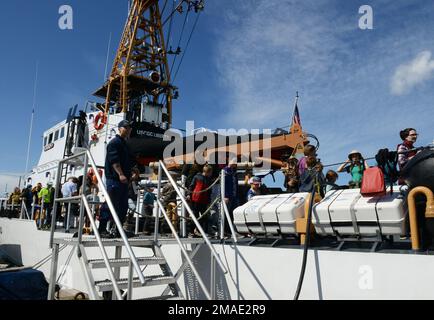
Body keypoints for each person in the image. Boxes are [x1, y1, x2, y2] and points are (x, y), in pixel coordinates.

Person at [104, 120, 133, 237]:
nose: (128, 129)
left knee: (123, 207)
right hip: (114, 180)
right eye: (126, 127)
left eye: (129, 128)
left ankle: (118, 230)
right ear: (120, 128)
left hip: (123, 182)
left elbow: (128, 160)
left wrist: (133, 171)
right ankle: (102, 229)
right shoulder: (114, 143)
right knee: (110, 205)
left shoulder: (124, 144)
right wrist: (120, 174)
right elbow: (114, 161)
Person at [188, 165, 213, 236]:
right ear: (208, 172)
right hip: (196, 199)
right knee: (195, 215)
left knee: (204, 216)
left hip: (204, 200)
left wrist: (209, 200)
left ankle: (200, 231)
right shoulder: (197, 177)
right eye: (210, 172)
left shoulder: (208, 179)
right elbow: (192, 186)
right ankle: (191, 231)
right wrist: (188, 194)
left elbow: (209, 191)